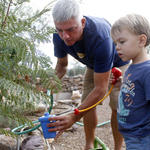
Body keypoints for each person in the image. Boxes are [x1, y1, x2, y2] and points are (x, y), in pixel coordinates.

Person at [48, 0, 129, 149]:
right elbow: (62, 66)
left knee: (118, 105)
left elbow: (100, 89)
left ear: (83, 22)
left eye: (71, 29)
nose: (65, 36)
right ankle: (89, 145)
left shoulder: (101, 37)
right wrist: (49, 86)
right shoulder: (58, 34)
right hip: (94, 65)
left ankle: (118, 147)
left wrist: (74, 116)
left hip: (120, 62)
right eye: (60, 30)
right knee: (86, 103)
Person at [110, 14, 150, 150]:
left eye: (121, 42)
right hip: (132, 135)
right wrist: (121, 84)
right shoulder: (131, 67)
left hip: (142, 138)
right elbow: (135, 92)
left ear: (141, 41)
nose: (117, 47)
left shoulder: (147, 70)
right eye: (115, 43)